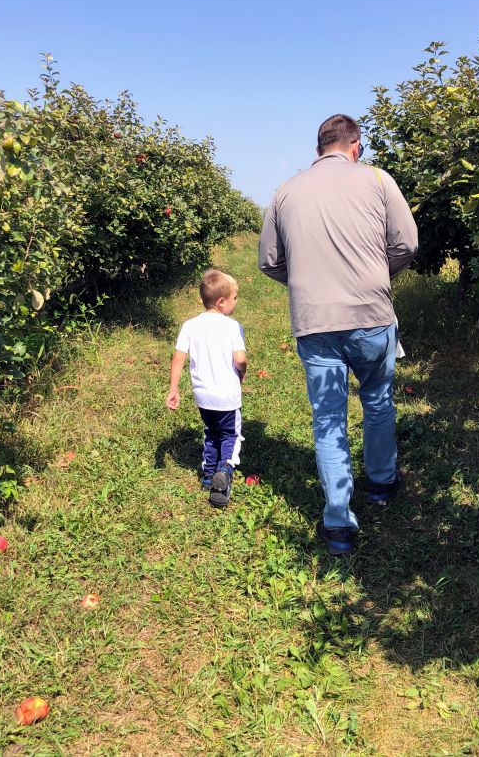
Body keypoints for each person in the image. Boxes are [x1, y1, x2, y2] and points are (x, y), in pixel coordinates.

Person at [258, 114, 418, 555]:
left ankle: (338, 525)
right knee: (378, 400)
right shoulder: (378, 181)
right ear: (356, 146)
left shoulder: (285, 191)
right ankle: (382, 485)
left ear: (318, 149)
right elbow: (406, 243)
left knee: (328, 420)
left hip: (316, 324)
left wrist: (310, 282)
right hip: (371, 313)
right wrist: (374, 276)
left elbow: (269, 261)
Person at [165, 269, 247, 508]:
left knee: (211, 433)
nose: (236, 302)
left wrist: (173, 390)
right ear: (221, 302)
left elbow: (178, 358)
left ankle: (208, 475)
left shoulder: (190, 325)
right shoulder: (232, 327)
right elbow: (240, 359)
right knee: (231, 435)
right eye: (235, 298)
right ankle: (225, 470)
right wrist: (242, 373)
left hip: (203, 397)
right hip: (227, 397)